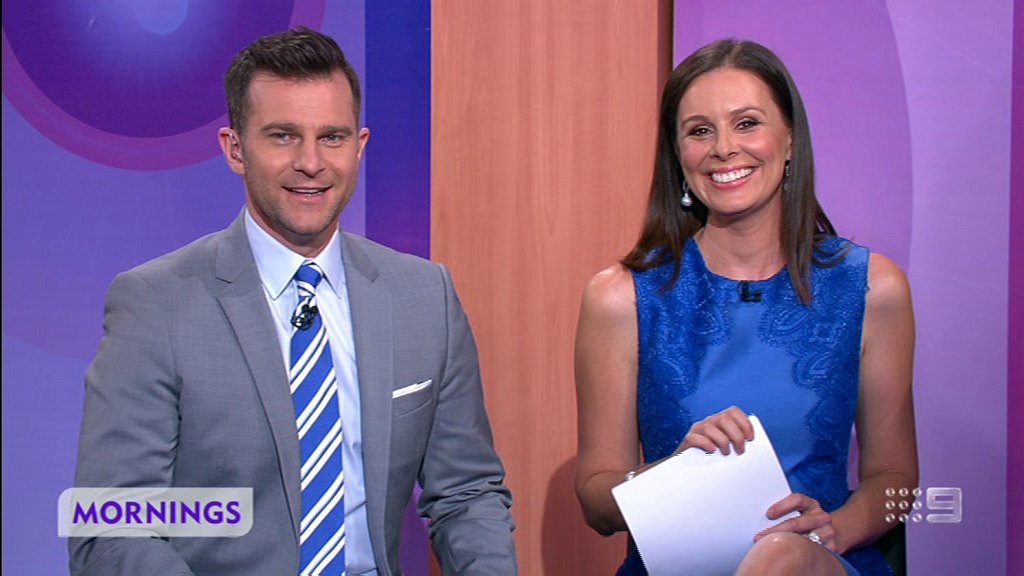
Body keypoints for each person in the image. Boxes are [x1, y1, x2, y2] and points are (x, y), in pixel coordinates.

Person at [70, 27, 516, 576]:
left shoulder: (424, 297)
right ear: (235, 149)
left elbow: (467, 495)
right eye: (283, 136)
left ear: (360, 146)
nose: (311, 162)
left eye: (332, 137)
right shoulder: (156, 304)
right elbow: (112, 522)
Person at [574, 38, 917, 575]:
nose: (724, 148)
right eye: (700, 131)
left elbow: (896, 481)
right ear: (678, 155)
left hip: (820, 562)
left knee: (782, 557)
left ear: (790, 140)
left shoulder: (873, 288)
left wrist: (831, 531)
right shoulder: (619, 297)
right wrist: (671, 474)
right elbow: (597, 502)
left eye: (747, 123)